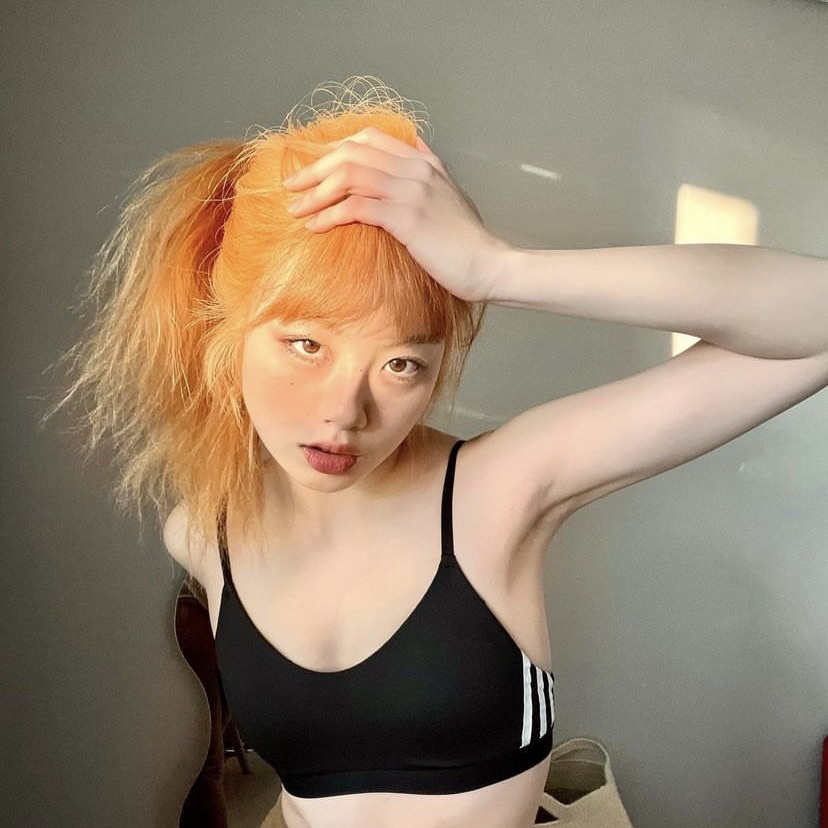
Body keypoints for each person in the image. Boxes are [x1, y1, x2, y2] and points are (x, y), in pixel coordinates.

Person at [49, 78, 828, 828]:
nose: (345, 412)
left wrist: (497, 268)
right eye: (306, 344)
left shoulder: (498, 490)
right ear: (227, 329)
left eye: (402, 364)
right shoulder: (203, 530)